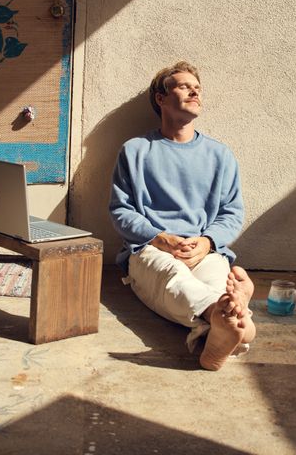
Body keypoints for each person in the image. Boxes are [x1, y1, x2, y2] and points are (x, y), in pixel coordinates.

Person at [109, 61, 256, 370]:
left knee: (218, 282)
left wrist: (206, 242)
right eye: (183, 86)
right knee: (173, 278)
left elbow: (231, 213)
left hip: (205, 251)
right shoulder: (136, 151)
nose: (195, 91)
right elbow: (121, 210)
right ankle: (238, 323)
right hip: (150, 250)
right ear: (160, 99)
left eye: (197, 87)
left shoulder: (220, 156)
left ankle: (220, 326)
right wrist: (159, 238)